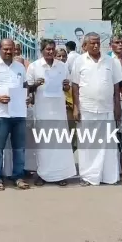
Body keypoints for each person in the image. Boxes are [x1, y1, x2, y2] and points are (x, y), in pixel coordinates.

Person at [71, 33, 122, 186]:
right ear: (85, 45)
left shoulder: (110, 61)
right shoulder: (79, 61)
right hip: (86, 108)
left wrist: (117, 106)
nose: (95, 46)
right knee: (88, 144)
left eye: (98, 43)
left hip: (107, 109)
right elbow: (75, 86)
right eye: (92, 43)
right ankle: (88, 177)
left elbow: (116, 86)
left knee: (108, 144)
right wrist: (76, 108)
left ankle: (108, 176)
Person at [0, 38, 30, 191]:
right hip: (1, 114)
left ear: (15, 49)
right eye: (5, 49)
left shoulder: (20, 67)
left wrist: (27, 96)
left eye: (11, 49)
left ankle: (18, 176)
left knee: (19, 148)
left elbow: (25, 85)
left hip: (19, 114)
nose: (9, 51)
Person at [27, 39, 76, 187]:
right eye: (47, 49)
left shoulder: (62, 66)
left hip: (58, 111)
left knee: (59, 143)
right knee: (43, 144)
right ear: (42, 50)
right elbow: (28, 88)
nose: (50, 52)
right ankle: (42, 174)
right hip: (42, 111)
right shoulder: (34, 66)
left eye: (52, 49)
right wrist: (35, 84)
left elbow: (67, 88)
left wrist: (66, 86)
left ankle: (61, 175)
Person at [56, 48, 77, 153]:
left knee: (71, 131)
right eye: (59, 56)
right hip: (56, 107)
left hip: (69, 106)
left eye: (64, 56)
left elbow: (73, 88)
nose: (61, 58)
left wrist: (67, 87)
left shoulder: (69, 71)